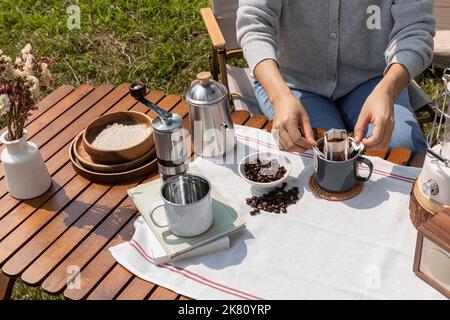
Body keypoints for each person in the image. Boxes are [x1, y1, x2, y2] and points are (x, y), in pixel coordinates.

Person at [236, 0, 435, 154]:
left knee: (403, 147)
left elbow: (415, 30)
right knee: (320, 155)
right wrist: (279, 98)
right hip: (293, 84)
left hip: (374, 81)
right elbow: (255, 24)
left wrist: (388, 90)